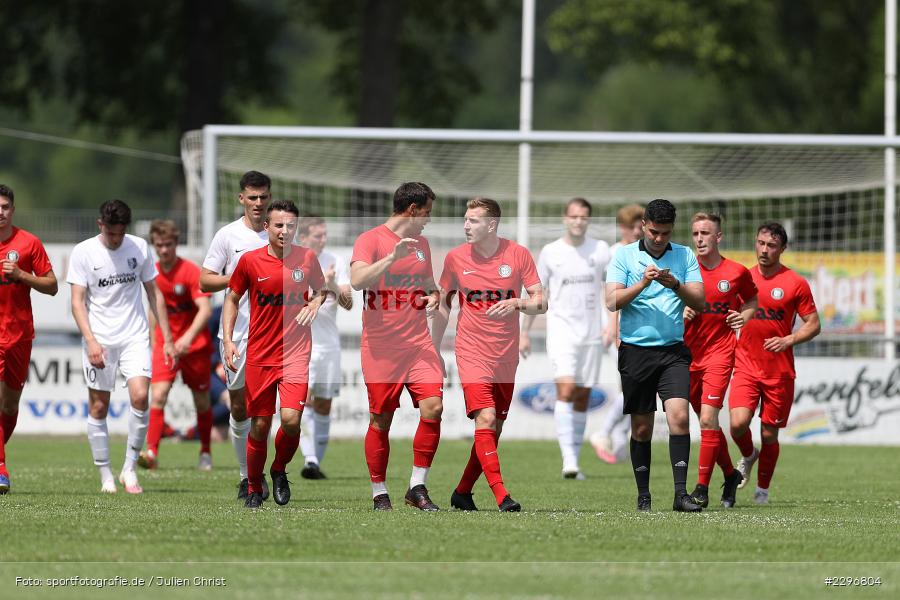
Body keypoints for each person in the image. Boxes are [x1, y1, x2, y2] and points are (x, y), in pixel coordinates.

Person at [434, 198, 545, 512]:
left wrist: (517, 303)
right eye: (465, 220)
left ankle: (462, 491)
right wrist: (434, 347)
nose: (466, 226)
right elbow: (444, 303)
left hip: (505, 356)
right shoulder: (455, 258)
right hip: (471, 352)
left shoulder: (518, 254)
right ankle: (501, 496)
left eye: (473, 221)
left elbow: (542, 301)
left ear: (491, 225)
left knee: (492, 429)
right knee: (486, 417)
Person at [223, 199, 327, 509]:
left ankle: (279, 469)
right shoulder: (250, 261)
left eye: (291, 226)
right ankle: (254, 486)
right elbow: (231, 299)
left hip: (295, 353)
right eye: (279, 225)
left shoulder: (307, 258)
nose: (285, 231)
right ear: (266, 227)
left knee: (292, 421)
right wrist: (229, 340)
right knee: (260, 425)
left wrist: (315, 303)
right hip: (260, 355)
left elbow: (321, 290)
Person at [68, 199, 176, 494]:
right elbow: (77, 301)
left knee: (141, 397)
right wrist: (91, 340)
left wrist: (167, 338)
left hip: (135, 336)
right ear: (100, 225)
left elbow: (154, 294)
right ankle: (105, 475)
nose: (114, 239)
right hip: (99, 339)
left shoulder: (139, 247)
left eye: (119, 233)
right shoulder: (84, 252)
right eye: (109, 233)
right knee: (99, 406)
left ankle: (129, 469)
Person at [605, 198, 706, 512]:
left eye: (664, 233)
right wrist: (643, 283)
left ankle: (680, 495)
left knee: (679, 417)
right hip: (635, 351)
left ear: (671, 229)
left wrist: (674, 283)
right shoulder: (623, 255)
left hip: (673, 352)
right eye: (653, 232)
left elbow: (700, 302)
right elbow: (612, 302)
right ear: (643, 226)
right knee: (642, 428)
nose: (658, 238)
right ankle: (644, 496)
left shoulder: (685, 255)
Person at [350, 182, 443, 511]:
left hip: (418, 344)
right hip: (381, 347)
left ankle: (417, 487)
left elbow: (432, 286)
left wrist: (434, 296)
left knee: (433, 408)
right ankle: (379, 492)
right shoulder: (370, 240)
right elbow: (358, 280)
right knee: (381, 420)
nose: (429, 220)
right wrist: (392, 257)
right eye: (427, 213)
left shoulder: (423, 245)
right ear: (413, 210)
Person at [729, 222, 820, 505]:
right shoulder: (743, 278)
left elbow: (814, 324)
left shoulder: (795, 283)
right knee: (737, 424)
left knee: (769, 434)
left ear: (782, 249)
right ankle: (748, 454)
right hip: (745, 364)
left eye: (771, 245)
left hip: (778, 371)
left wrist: (788, 340)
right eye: (760, 243)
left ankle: (762, 492)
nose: (764, 250)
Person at [520, 198, 610, 479]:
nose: (578, 221)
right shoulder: (551, 252)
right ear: (565, 218)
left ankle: (576, 459)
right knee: (566, 390)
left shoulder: (601, 250)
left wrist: (612, 326)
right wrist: (524, 332)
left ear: (589, 220)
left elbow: (612, 289)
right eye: (574, 216)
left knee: (583, 396)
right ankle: (568, 461)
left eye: (584, 217)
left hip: (593, 333)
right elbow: (538, 294)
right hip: (561, 332)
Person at [200, 170, 272, 500]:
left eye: (263, 197)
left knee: (267, 412)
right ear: (241, 198)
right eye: (252, 197)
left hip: (272, 338)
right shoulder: (228, 236)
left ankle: (263, 475)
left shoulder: (279, 234)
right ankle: (246, 475)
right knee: (240, 409)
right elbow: (205, 281)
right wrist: (239, 277)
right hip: (236, 335)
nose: (258, 203)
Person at [683, 213, 758, 509]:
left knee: (706, 419)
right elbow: (668, 304)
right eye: (695, 233)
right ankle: (729, 475)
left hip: (720, 353)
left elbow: (751, 300)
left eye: (705, 233)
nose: (699, 238)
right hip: (687, 356)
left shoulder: (736, 272)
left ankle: (701, 488)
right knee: (709, 426)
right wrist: (682, 311)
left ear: (718, 237)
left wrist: (744, 315)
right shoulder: (684, 270)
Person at [138, 220, 214, 472]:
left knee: (201, 401)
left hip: (195, 347)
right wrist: (153, 342)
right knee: (157, 396)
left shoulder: (191, 272)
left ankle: (205, 451)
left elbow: (205, 309)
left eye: (168, 245)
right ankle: (151, 452)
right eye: (159, 245)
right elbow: (153, 311)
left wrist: (187, 339)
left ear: (176, 244)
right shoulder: (153, 274)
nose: (163, 250)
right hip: (165, 346)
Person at [0, 184, 58, 494]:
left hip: (20, 334)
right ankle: (1, 469)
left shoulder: (28, 243)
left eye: (5, 206)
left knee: (9, 407)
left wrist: (22, 275)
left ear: (13, 210)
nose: (0, 211)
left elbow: (52, 285)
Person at [297, 215, 353, 480]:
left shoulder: (335, 260)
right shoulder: (293, 261)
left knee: (323, 405)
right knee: (303, 402)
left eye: (324, 234)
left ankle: (315, 462)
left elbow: (348, 302)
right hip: (301, 346)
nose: (323, 239)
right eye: (318, 235)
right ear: (304, 237)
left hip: (329, 346)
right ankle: (308, 459)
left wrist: (330, 283)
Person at [590, 204, 644, 464]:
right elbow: (608, 292)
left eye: (641, 226)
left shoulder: (642, 251)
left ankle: (621, 440)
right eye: (635, 227)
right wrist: (613, 326)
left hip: (638, 327)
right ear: (623, 228)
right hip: (619, 327)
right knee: (638, 383)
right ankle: (605, 433)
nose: (639, 231)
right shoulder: (615, 253)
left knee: (631, 385)